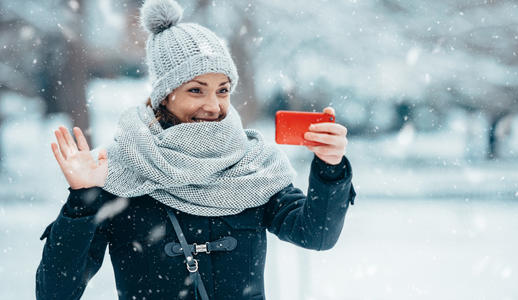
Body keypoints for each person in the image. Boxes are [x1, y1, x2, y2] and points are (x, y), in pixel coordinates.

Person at [36, 0, 356, 299]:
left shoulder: (254, 165)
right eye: (196, 90)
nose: (213, 105)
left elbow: (317, 235)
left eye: (223, 90)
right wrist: (81, 201)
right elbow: (55, 291)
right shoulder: (117, 170)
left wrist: (330, 168)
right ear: (165, 95)